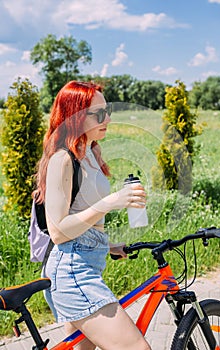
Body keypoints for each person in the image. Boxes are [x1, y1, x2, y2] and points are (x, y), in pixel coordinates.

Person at [35, 81, 150, 350]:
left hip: (87, 262)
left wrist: (106, 245)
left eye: (106, 111)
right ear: (74, 116)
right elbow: (59, 231)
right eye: (98, 113)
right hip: (72, 272)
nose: (107, 118)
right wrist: (111, 202)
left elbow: (80, 213)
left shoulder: (91, 152)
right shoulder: (61, 160)